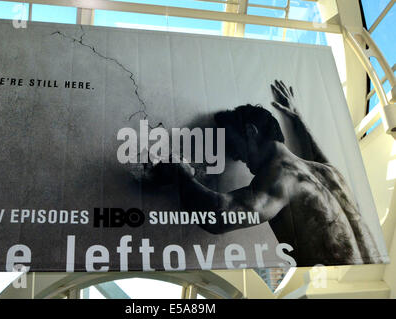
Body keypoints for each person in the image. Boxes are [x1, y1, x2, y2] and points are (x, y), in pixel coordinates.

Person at [148, 80, 382, 266]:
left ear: (251, 131)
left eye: (233, 144)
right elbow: (315, 152)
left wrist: (182, 175)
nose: (235, 157)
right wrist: (298, 120)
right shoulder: (329, 172)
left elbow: (222, 215)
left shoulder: (281, 178)